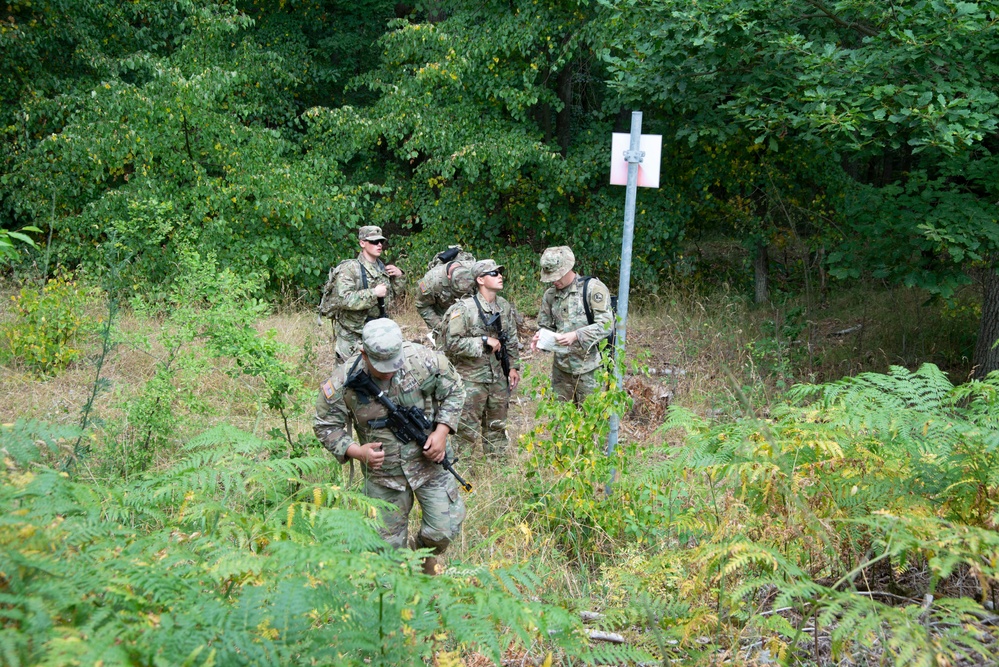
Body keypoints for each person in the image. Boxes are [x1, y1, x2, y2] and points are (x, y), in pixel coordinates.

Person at [314, 318, 467, 575]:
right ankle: (398, 600)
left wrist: (442, 432)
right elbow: (325, 425)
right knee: (384, 553)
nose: (389, 372)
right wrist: (357, 452)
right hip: (384, 476)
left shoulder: (423, 360)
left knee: (445, 529)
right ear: (364, 353)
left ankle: (422, 557)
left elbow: (456, 389)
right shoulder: (343, 382)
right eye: (381, 366)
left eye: (393, 364)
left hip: (429, 465)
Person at [443, 259, 521, 459]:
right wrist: (483, 341)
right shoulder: (464, 309)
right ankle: (464, 468)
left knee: (497, 426)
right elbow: (451, 344)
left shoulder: (503, 306)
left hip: (498, 376)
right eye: (494, 274)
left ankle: (498, 469)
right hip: (472, 379)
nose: (500, 276)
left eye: (500, 272)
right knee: (466, 430)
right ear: (480, 279)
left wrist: (513, 367)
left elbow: (511, 337)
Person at [531, 246, 613, 405]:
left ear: (568, 268)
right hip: (561, 371)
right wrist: (541, 338)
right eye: (551, 277)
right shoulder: (550, 295)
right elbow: (545, 326)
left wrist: (576, 335)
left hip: (590, 369)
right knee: (560, 421)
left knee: (592, 421)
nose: (555, 281)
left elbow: (606, 325)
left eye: (557, 276)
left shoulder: (593, 289)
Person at [319, 226, 404, 362]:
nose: (379, 245)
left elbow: (391, 298)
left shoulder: (382, 268)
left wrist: (399, 276)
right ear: (362, 243)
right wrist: (373, 293)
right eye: (374, 241)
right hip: (353, 335)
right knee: (347, 377)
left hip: (377, 331)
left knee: (376, 372)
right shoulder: (350, 268)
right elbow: (344, 299)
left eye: (381, 241)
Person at [415, 258, 476, 344]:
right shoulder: (430, 281)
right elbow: (422, 306)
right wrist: (438, 325)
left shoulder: (475, 270)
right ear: (449, 277)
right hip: (443, 313)